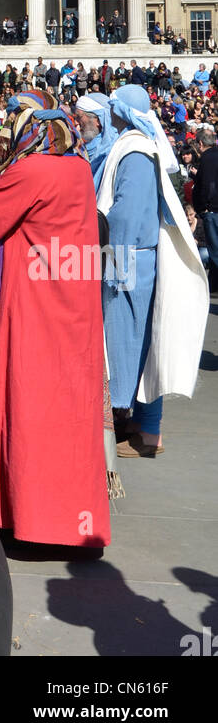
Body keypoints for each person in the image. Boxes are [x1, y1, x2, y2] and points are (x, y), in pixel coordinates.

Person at [0, 91, 110, 547]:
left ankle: (31, 520)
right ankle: (75, 523)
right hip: (75, 304)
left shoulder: (28, 171)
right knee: (71, 413)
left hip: (31, 306)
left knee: (28, 406)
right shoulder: (79, 168)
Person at [100, 86, 208, 459]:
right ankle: (142, 430)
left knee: (129, 344)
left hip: (126, 258)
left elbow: (126, 215)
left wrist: (99, 235)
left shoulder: (134, 150)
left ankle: (138, 431)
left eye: (114, 107)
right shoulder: (138, 145)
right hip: (132, 255)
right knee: (142, 342)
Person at [192, 123, 218, 292]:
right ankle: (212, 287)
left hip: (213, 211)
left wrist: (205, 207)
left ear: (200, 144)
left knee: (216, 252)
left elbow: (208, 185)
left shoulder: (207, 158)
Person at [73, 92, 118, 189]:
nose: (76, 122)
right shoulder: (83, 147)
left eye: (79, 117)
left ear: (97, 120)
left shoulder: (114, 149)